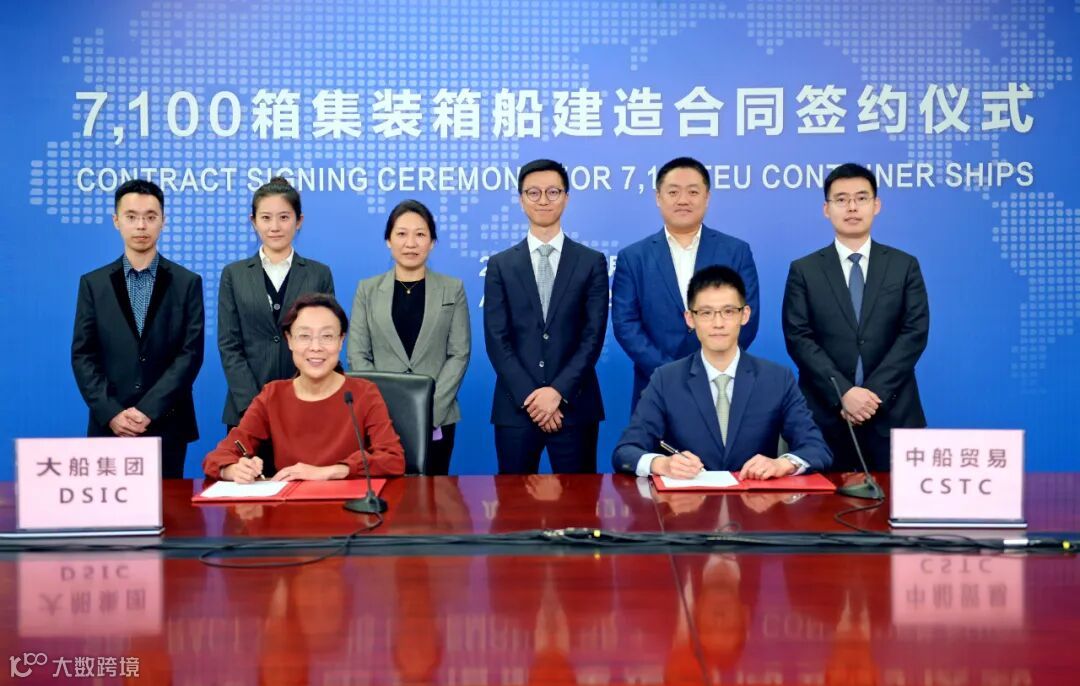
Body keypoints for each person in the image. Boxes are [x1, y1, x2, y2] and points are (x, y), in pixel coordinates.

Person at [613, 265, 831, 479]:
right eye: (706, 313)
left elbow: (816, 449)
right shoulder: (666, 379)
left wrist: (783, 464)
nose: (718, 323)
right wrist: (661, 463)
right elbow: (625, 451)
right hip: (687, 500)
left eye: (728, 311)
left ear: (745, 315)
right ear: (690, 319)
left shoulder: (777, 378)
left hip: (755, 499)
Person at [782, 163, 929, 471]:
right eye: (841, 199)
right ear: (826, 209)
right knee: (821, 502)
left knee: (896, 500)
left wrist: (872, 395)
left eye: (861, 198)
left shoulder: (904, 266)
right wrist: (844, 392)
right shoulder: (805, 270)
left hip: (893, 413)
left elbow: (914, 333)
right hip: (826, 416)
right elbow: (798, 337)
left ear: (876, 205)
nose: (852, 207)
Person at [71, 179, 204, 478]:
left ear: (163, 221)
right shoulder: (93, 284)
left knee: (166, 506)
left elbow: (190, 354)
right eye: (131, 216)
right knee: (110, 507)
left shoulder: (187, 282)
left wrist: (148, 410)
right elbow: (83, 356)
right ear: (116, 221)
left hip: (167, 423)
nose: (141, 226)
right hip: (110, 425)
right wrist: (112, 412)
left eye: (150, 217)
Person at [483, 159, 608, 474]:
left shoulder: (591, 262)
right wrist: (532, 397)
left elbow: (592, 337)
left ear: (566, 198)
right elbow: (497, 339)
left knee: (580, 501)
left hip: (575, 406)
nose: (543, 200)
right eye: (533, 192)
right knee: (513, 501)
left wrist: (558, 392)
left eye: (553, 192)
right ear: (521, 200)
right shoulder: (500, 265)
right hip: (516, 407)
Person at [612, 156, 761, 412]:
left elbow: (748, 317)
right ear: (658, 197)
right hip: (655, 387)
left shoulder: (735, 251)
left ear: (707, 197)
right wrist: (668, 374)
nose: (683, 200)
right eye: (673, 192)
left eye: (693, 192)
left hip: (721, 385)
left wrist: (709, 369)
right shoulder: (634, 257)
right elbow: (626, 324)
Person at [203, 293, 405, 482]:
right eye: (304, 336)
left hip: (351, 503)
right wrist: (232, 469)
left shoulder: (363, 393)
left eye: (327, 336)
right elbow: (217, 457)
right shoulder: (273, 395)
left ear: (341, 341)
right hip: (289, 504)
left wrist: (332, 471)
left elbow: (393, 459)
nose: (316, 347)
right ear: (289, 340)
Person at [347, 199, 470, 475]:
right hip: (380, 420)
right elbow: (358, 355)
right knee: (386, 494)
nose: (411, 243)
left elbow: (459, 354)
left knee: (434, 495)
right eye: (401, 234)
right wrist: (383, 412)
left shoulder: (452, 289)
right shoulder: (367, 290)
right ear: (388, 241)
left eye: (420, 234)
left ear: (432, 242)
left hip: (437, 417)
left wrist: (427, 411)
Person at [217, 177, 335, 431]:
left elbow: (326, 340)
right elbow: (229, 345)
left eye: (284, 217)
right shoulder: (234, 275)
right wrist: (254, 406)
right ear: (253, 221)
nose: (275, 227)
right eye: (266, 218)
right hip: (246, 411)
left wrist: (304, 396)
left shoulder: (319, 274)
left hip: (306, 405)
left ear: (299, 221)